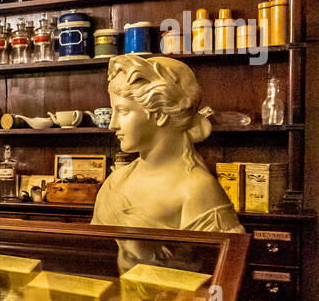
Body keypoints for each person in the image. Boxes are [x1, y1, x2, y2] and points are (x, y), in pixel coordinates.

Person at [93, 54, 241, 271]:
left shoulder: (196, 190)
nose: (112, 125)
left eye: (123, 111)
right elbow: (96, 257)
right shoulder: (116, 181)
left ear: (160, 114)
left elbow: (216, 272)